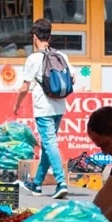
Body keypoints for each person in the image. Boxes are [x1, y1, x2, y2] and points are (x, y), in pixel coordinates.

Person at [14, 18, 73, 199]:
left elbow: (25, 87)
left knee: (49, 143)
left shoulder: (33, 59)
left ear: (34, 37)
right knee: (48, 145)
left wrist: (17, 105)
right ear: (50, 36)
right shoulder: (61, 56)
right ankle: (37, 184)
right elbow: (73, 79)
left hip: (43, 107)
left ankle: (61, 182)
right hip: (59, 106)